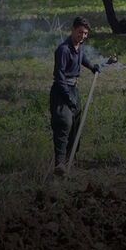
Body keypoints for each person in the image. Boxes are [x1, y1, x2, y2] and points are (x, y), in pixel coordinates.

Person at [50, 16, 101, 172]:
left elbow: (82, 58)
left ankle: (71, 158)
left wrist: (93, 67)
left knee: (75, 126)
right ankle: (59, 163)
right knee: (64, 123)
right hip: (61, 91)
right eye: (80, 32)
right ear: (72, 30)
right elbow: (59, 77)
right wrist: (68, 98)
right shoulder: (63, 50)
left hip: (74, 89)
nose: (83, 36)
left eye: (85, 33)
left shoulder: (79, 47)